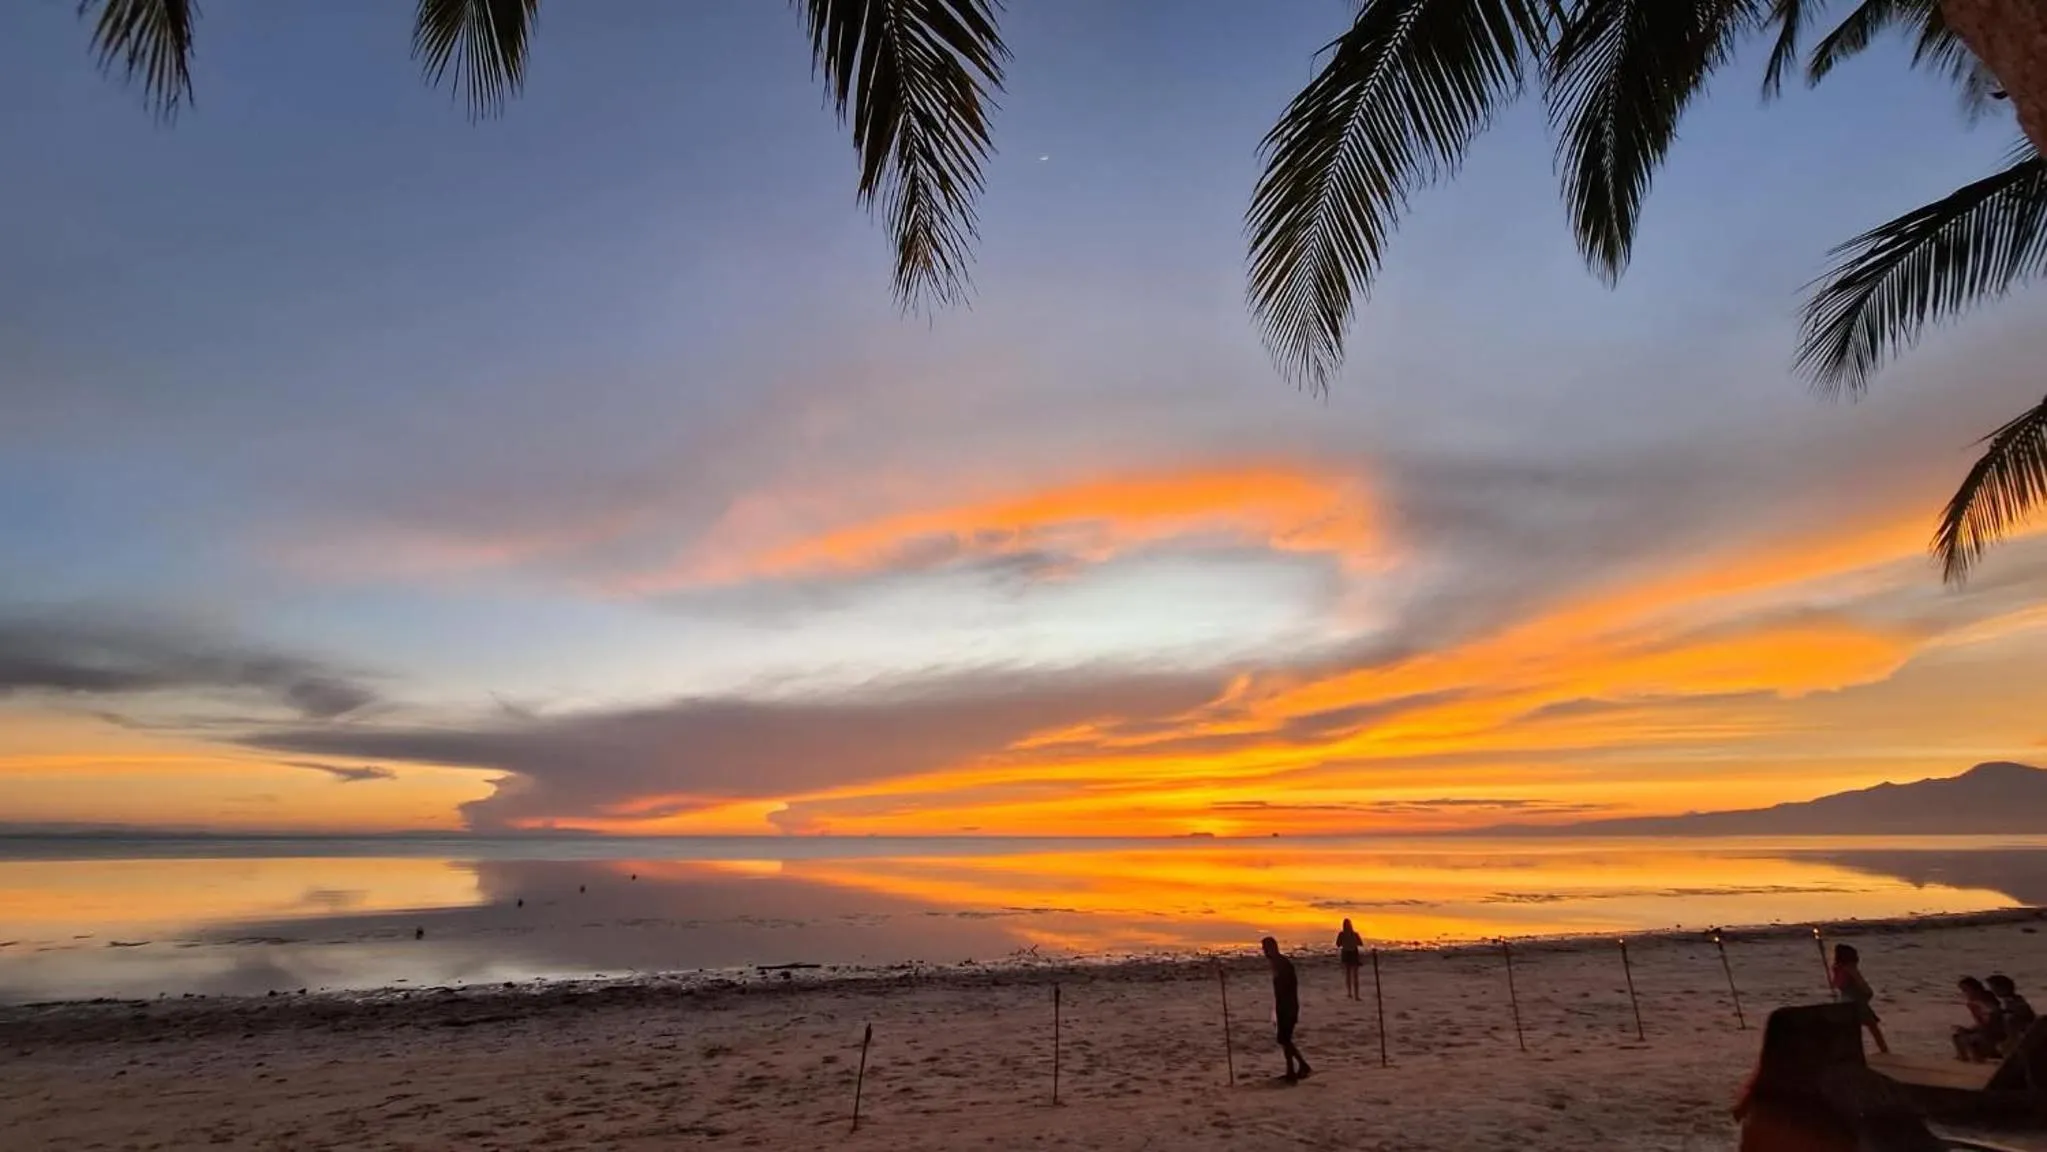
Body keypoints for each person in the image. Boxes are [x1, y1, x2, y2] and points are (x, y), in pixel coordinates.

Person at [1262, 936, 1312, 1081]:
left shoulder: (1282, 963)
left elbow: (1287, 988)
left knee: (1284, 1039)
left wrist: (1283, 1007)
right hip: (1283, 1005)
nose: (1264, 951)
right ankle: (1292, 1069)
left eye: (1265, 948)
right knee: (1284, 1039)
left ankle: (1301, 1066)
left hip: (1288, 1006)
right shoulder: (1277, 963)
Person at [1828, 943, 1888, 1054]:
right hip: (1857, 1002)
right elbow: (1862, 985)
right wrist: (1868, 993)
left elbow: (1836, 984)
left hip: (1845, 1002)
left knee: (1851, 1029)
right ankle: (1884, 1050)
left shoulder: (1837, 969)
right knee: (1873, 1027)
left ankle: (1849, 1051)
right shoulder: (1851, 969)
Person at [1953, 977, 2006, 1062]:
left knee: (1970, 1039)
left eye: (1966, 990)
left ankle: (1981, 1057)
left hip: (1995, 1032)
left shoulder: (1986, 1000)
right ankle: (1964, 1059)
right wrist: (1969, 1029)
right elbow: (1981, 1022)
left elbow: (1993, 1019)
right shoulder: (1973, 1003)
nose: (1964, 993)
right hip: (1986, 1030)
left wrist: (1971, 1030)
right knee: (1958, 1036)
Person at [1987, 974, 2036, 1044]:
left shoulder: (2015, 1002)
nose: (1992, 992)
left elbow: (2024, 1015)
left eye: (1993, 989)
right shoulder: (2009, 1001)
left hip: (2021, 1036)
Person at [1336, 918, 1364, 1002]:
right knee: (1354, 975)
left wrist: (1346, 942)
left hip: (1347, 953)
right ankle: (1355, 995)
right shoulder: (1354, 934)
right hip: (1352, 953)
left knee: (1349, 975)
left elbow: (1338, 944)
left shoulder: (1342, 934)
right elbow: (1360, 943)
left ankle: (1350, 993)